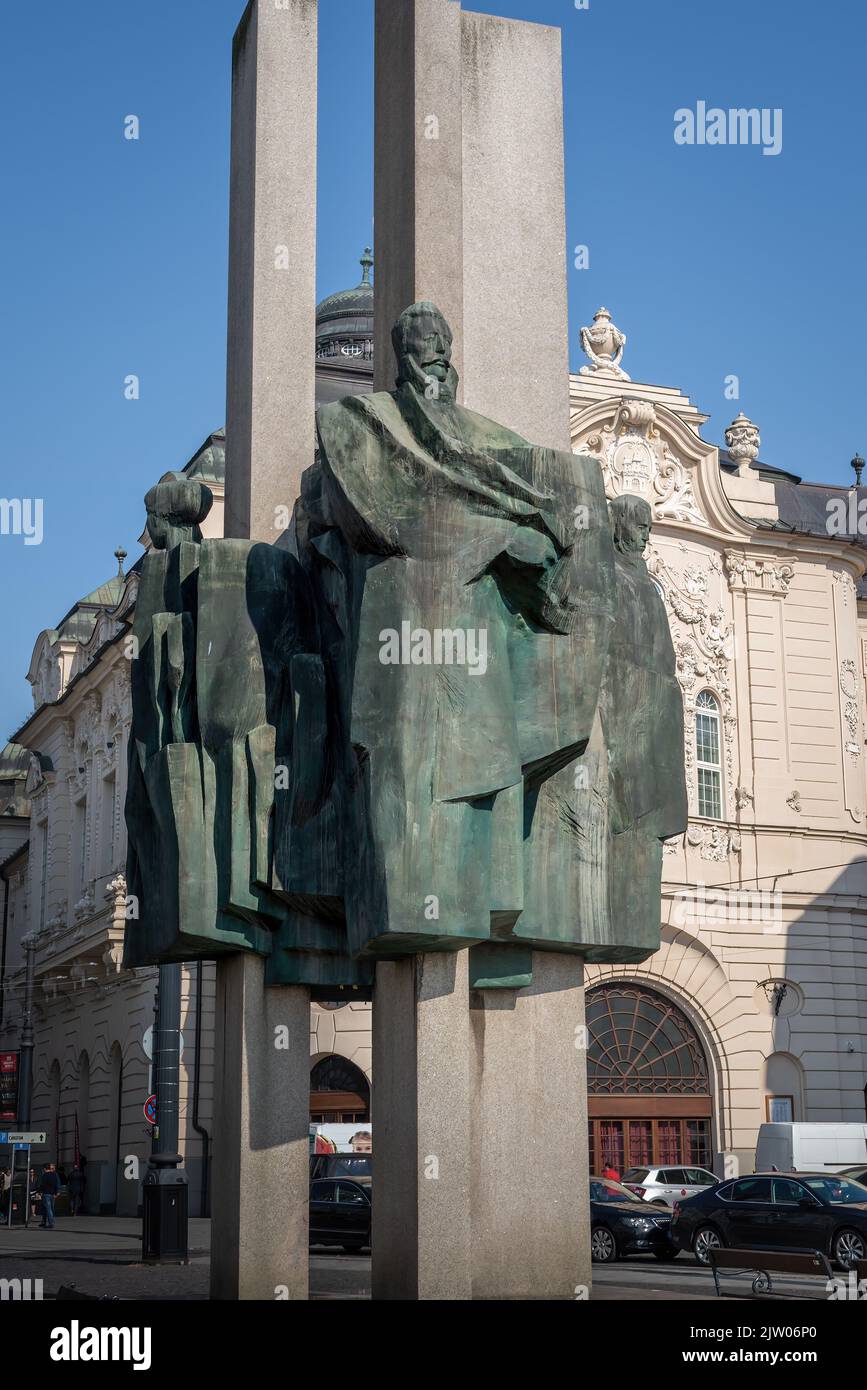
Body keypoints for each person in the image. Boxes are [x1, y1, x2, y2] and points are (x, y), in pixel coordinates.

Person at [39, 1163, 61, 1229]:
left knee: (48, 1209)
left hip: (46, 1194)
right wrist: (56, 1192)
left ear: (45, 1169)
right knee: (48, 1208)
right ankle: (44, 1222)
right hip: (52, 1194)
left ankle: (51, 1223)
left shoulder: (44, 1175)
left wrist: (40, 1192)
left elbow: (43, 1185)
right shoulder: (54, 1175)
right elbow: (56, 1184)